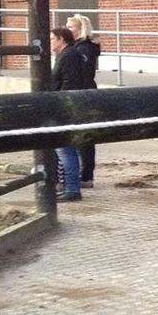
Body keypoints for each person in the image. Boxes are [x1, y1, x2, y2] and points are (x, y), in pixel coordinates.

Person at [50, 27, 84, 201]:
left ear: (61, 39)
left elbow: (69, 82)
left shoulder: (68, 56)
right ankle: (69, 185)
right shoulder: (67, 55)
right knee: (67, 149)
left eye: (52, 39)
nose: (50, 43)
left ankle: (72, 187)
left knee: (65, 149)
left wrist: (59, 104)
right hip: (67, 104)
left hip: (65, 107)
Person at [66, 13, 100, 187]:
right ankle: (85, 174)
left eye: (71, 27)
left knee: (85, 139)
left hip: (84, 95)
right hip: (84, 93)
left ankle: (86, 176)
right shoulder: (78, 48)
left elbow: (85, 75)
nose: (67, 29)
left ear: (80, 29)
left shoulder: (84, 49)